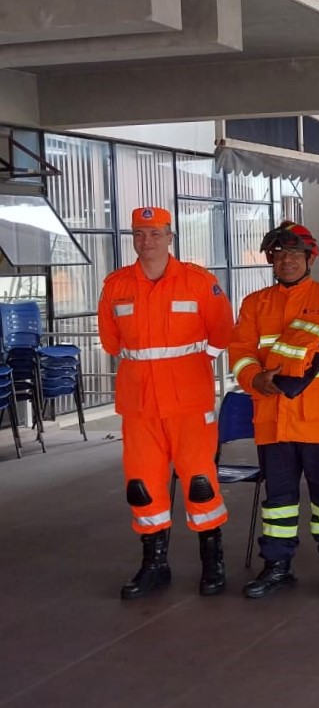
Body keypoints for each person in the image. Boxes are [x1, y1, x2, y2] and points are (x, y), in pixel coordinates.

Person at [228, 221, 319, 599]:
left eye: (295, 254)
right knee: (277, 501)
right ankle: (277, 566)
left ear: (311, 258)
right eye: (279, 254)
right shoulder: (254, 304)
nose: (287, 260)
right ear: (271, 259)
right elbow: (240, 353)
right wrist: (254, 379)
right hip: (273, 418)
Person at [97, 206, 234, 599]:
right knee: (142, 486)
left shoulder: (197, 282)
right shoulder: (116, 285)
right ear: (133, 238)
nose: (147, 240)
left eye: (155, 233)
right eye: (140, 233)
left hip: (190, 403)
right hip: (139, 406)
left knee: (200, 482)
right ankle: (154, 564)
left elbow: (223, 333)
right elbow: (111, 341)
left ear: (170, 237)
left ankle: (213, 562)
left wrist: (190, 367)